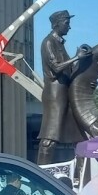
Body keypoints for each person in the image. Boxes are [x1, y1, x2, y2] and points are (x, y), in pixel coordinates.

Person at [37, 10, 89, 165]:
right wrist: (76, 57)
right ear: (56, 24)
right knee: (49, 138)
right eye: (67, 23)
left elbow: (68, 70)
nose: (69, 27)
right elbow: (56, 67)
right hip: (55, 95)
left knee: (78, 138)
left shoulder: (59, 43)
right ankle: (42, 171)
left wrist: (80, 61)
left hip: (65, 92)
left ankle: (82, 172)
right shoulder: (48, 42)